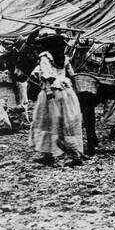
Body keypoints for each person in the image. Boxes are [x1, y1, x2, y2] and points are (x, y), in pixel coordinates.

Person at [29, 28, 86, 166]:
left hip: (52, 92)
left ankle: (49, 154)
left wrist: (48, 91)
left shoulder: (45, 56)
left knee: (47, 122)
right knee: (66, 123)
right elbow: (72, 74)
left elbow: (47, 75)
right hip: (67, 92)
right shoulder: (64, 57)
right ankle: (74, 154)